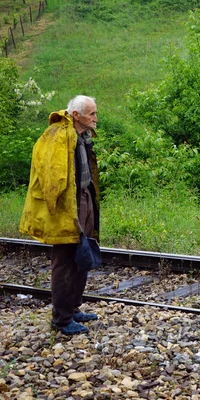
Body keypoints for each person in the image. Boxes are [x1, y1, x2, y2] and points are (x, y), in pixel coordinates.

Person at [20, 95, 100, 335]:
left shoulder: (81, 135)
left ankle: (73, 309)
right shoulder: (57, 134)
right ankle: (61, 319)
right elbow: (49, 175)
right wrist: (57, 209)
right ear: (77, 115)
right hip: (65, 205)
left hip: (83, 198)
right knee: (64, 259)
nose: (96, 118)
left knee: (82, 255)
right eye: (92, 114)